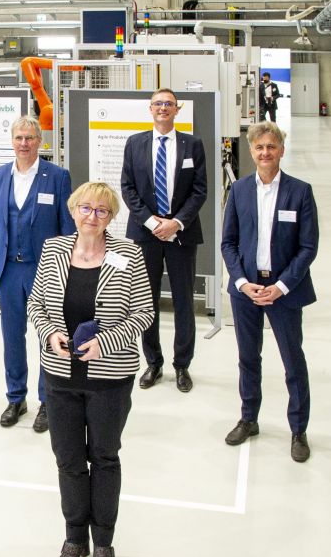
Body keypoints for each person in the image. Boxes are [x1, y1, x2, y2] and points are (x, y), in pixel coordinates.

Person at [27, 182, 154, 557]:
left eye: (101, 211)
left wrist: (107, 343)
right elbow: (36, 304)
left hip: (109, 379)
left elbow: (145, 313)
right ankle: (73, 539)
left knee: (103, 458)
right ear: (73, 210)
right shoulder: (53, 250)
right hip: (60, 376)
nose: (92, 217)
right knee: (68, 460)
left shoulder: (129, 254)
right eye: (85, 208)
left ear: (111, 217)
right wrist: (51, 335)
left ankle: (103, 544)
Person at [220, 121, 319, 462]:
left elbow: (308, 247)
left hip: (284, 291)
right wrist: (241, 282)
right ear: (251, 151)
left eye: (271, 147)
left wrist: (279, 286)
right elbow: (228, 242)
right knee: (248, 359)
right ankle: (249, 418)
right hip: (247, 290)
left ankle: (298, 429)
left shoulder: (300, 191)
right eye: (259, 147)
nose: (265, 153)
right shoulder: (240, 190)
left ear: (281, 150)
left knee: (293, 361)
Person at [0, 115, 75, 432]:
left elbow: (66, 229)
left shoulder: (57, 177)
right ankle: (16, 398)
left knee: (49, 336)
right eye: (19, 138)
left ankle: (48, 401)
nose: (24, 143)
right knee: (12, 338)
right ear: (12, 141)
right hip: (8, 272)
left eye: (30, 138)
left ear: (40, 141)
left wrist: (66, 271)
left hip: (43, 271)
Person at [120, 88, 207, 393]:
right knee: (147, 301)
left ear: (176, 110)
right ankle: (153, 362)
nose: (163, 108)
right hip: (146, 234)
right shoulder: (135, 144)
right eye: (158, 103)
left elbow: (200, 190)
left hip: (181, 234)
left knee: (184, 300)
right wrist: (152, 221)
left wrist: (176, 223)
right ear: (150, 108)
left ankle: (182, 365)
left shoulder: (192, 145)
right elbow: (128, 188)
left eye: (168, 104)